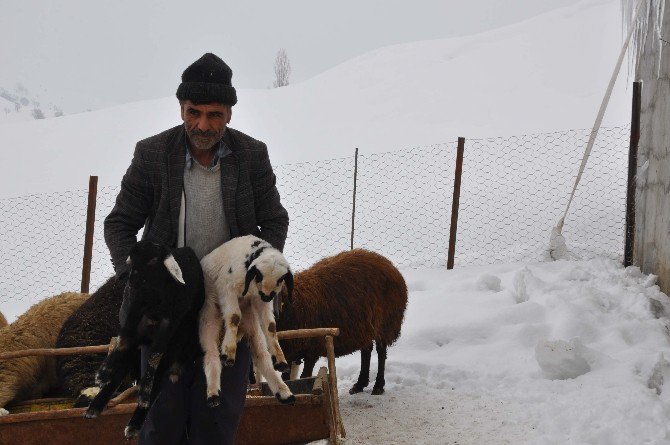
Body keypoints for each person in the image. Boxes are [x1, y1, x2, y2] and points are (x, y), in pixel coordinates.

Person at [104, 52, 289, 444]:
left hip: (229, 310)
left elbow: (274, 220)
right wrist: (138, 277)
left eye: (214, 115)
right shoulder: (153, 154)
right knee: (161, 423)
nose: (202, 125)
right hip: (165, 314)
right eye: (193, 112)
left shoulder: (252, 156)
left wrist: (259, 274)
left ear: (229, 114)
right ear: (181, 108)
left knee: (216, 425)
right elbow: (119, 224)